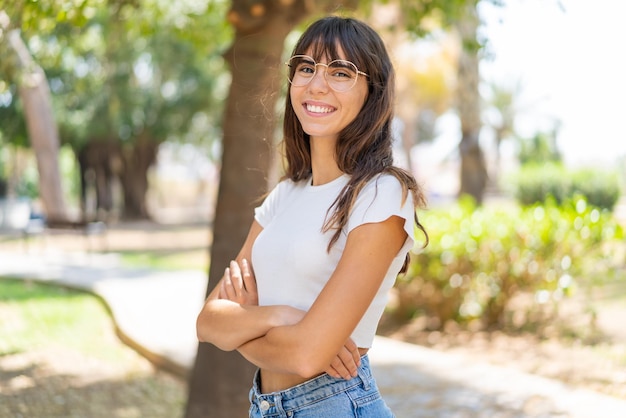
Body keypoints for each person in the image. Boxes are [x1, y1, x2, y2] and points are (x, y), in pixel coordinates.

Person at [196, 15, 427, 418]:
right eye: (306, 67)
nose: (317, 84)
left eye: (341, 72)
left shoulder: (381, 193)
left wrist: (244, 326)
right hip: (265, 406)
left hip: (335, 404)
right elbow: (208, 322)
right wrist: (282, 317)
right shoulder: (285, 195)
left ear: (372, 92)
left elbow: (306, 356)